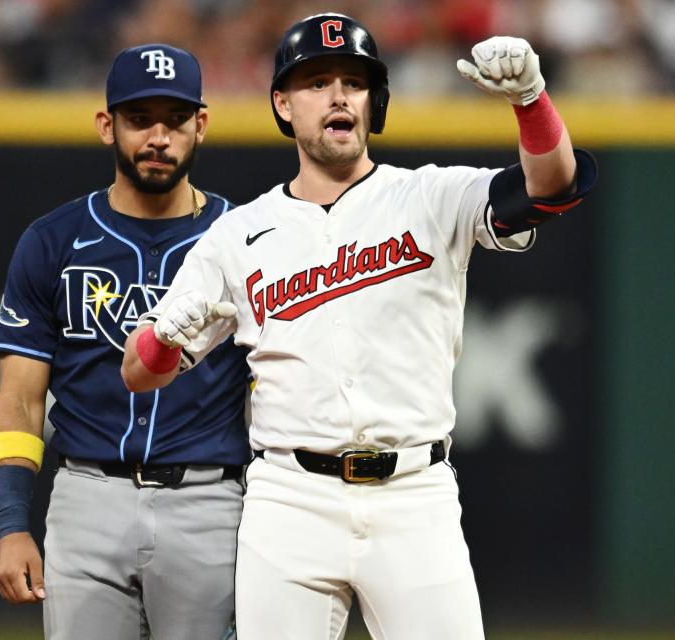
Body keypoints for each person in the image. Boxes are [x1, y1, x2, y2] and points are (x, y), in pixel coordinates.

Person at [121, 14, 597, 640]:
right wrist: (163, 338)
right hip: (289, 501)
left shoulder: (432, 198)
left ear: (375, 103)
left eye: (354, 81)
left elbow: (551, 187)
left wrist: (531, 102)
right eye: (315, 82)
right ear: (282, 105)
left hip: (413, 496)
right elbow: (139, 372)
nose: (338, 95)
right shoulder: (236, 237)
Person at [0, 43, 250, 640]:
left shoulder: (244, 240)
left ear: (200, 126)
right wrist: (11, 524)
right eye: (139, 119)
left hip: (208, 500)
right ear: (108, 126)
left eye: (176, 120)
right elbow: (21, 399)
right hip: (87, 495)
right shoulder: (53, 240)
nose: (159, 136)